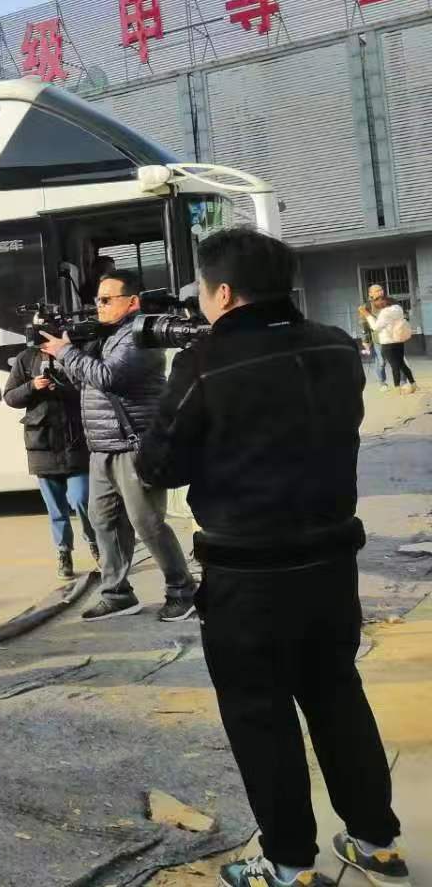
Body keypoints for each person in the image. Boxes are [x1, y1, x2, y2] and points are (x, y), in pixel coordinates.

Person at [136, 227, 411, 887]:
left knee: (260, 715)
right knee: (337, 695)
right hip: (331, 562)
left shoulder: (204, 363)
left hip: (248, 573)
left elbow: (158, 466)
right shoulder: (336, 346)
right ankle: (376, 842)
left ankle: (288, 863)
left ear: (224, 292)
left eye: (204, 290)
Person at [40, 269, 196, 622]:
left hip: (133, 443)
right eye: (97, 299)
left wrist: (67, 352)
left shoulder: (140, 336)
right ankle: (117, 594)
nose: (99, 306)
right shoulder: (105, 336)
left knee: (147, 523)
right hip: (103, 446)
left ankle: (182, 591)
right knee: (103, 521)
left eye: (107, 299)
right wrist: (60, 358)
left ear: (132, 302)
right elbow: (85, 380)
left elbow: (110, 377)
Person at [3, 346, 98, 580]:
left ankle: (95, 543)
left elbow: (93, 388)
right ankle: (64, 553)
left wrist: (64, 387)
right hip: (42, 445)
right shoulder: (27, 358)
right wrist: (32, 386)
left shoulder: (75, 352)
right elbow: (10, 397)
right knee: (56, 508)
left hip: (75, 443)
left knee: (81, 498)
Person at [372, 294, 418, 395]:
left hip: (388, 342)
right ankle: (413, 383)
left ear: (382, 304)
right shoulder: (398, 309)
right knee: (401, 363)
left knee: (394, 366)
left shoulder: (384, 313)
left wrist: (367, 316)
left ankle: (397, 388)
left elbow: (375, 327)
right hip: (399, 340)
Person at [357, 284, 389, 393]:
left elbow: (401, 313)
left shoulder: (389, 302)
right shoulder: (366, 307)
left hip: (393, 337)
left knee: (400, 360)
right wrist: (366, 341)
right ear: (370, 294)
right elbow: (363, 325)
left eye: (381, 289)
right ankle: (382, 382)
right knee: (381, 362)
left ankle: (403, 382)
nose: (380, 291)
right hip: (378, 339)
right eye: (377, 290)